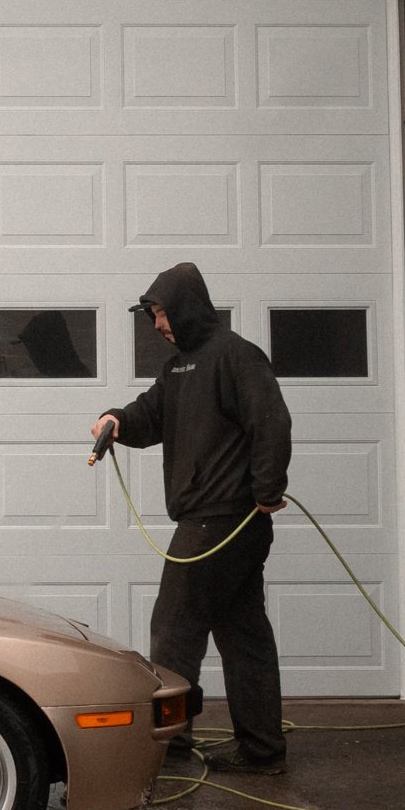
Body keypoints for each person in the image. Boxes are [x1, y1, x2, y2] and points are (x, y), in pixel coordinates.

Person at [90, 263, 293, 776]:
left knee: (174, 630)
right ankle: (262, 749)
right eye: (154, 315)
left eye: (162, 313)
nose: (158, 324)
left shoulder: (236, 357)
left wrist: (267, 490)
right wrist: (117, 420)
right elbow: (150, 415)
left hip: (220, 521)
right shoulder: (179, 368)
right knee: (243, 633)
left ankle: (171, 746)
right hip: (217, 521)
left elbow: (271, 422)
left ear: (186, 308)